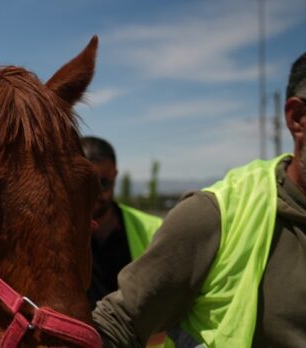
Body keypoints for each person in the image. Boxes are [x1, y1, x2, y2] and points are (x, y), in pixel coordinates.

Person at [93, 52, 306, 347]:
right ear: (297, 118)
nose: (97, 193)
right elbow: (117, 323)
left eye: (103, 182)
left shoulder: (143, 225)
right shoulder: (215, 216)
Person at [81, 136, 163, 306]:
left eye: (103, 183)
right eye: (85, 184)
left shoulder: (154, 230)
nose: (94, 194)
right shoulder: (55, 235)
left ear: (115, 176)